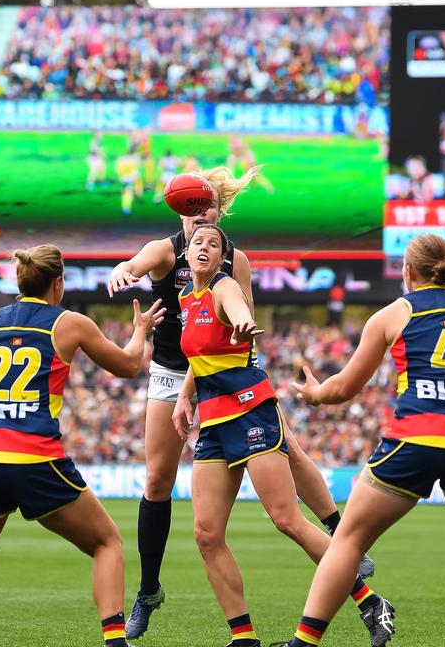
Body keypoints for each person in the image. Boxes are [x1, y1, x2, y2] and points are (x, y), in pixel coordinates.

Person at [106, 166, 370, 640]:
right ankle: (148, 591)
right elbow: (137, 262)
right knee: (157, 480)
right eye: (193, 206)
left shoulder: (232, 262)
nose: (199, 213)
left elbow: (238, 309)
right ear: (182, 211)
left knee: (288, 448)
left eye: (208, 207)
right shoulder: (166, 250)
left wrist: (241, 331)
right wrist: (123, 271)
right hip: (174, 373)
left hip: (226, 373)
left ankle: (337, 530)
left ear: (219, 214)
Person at [0, 245, 165, 647]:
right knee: (106, 543)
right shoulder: (71, 323)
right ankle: (116, 642)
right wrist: (140, 331)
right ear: (58, 282)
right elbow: (128, 366)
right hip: (34, 457)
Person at [280, 233, 445, 647]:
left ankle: (303, 642)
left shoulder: (393, 314)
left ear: (408, 272)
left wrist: (313, 394)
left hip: (416, 439)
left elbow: (345, 387)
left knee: (348, 540)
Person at [172, 224, 395, 647]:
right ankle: (244, 637)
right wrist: (187, 397)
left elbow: (238, 310)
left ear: (223, 258)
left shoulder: (223, 289)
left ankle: (369, 602)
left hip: (250, 409)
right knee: (206, 534)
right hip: (215, 421)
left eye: (213, 244)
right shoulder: (187, 298)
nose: (203, 247)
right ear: (186, 254)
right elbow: (199, 356)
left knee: (285, 519)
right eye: (197, 242)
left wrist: (244, 323)